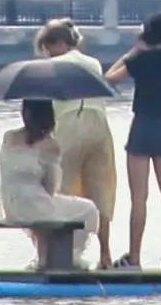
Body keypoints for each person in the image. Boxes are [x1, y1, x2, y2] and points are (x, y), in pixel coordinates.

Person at [102, 12, 161, 268]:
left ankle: (135, 257)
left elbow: (108, 78)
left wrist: (133, 51)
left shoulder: (140, 61)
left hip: (142, 125)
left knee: (138, 198)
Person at [33, 17, 122, 235]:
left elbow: (50, 107)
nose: (48, 54)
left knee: (60, 190)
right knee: (101, 189)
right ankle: (105, 255)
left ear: (59, 44)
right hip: (99, 125)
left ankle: (60, 251)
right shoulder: (94, 63)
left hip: (70, 124)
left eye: (48, 48)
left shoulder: (53, 66)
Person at [0, 97, 102, 266]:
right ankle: (67, 257)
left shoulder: (9, 137)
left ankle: (44, 258)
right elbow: (51, 187)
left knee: (49, 209)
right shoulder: (50, 145)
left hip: (11, 206)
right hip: (33, 206)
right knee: (89, 209)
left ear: (25, 114)